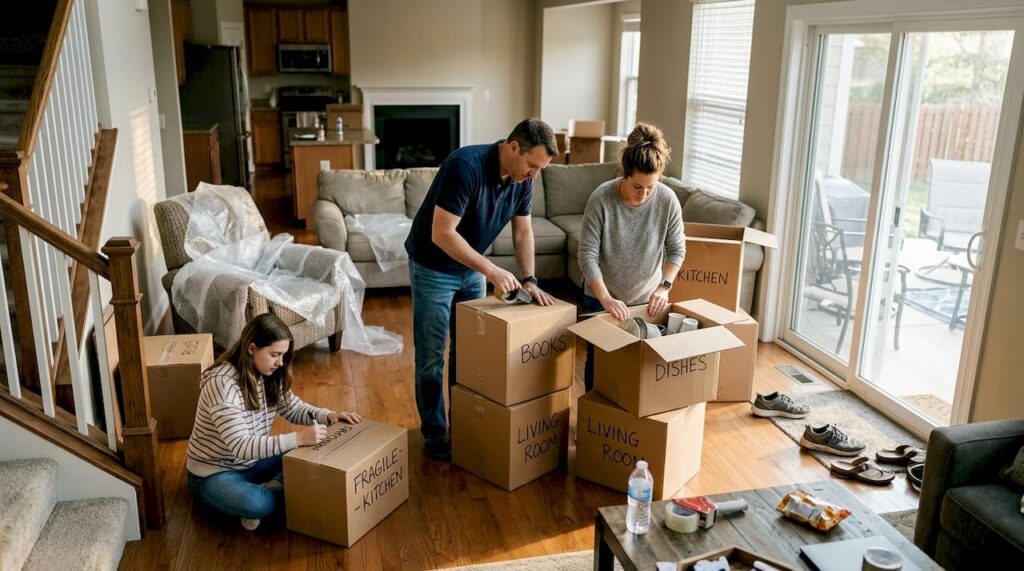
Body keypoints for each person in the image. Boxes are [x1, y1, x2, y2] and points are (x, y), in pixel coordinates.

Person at [404, 118, 559, 461]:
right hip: (433, 268)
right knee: (431, 357)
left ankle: (464, 425)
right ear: (513, 146)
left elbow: (522, 233)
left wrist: (529, 278)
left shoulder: (524, 179)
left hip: (471, 268)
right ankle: (434, 435)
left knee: (469, 352)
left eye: (540, 169)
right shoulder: (465, 166)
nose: (534, 174)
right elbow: (442, 233)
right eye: (532, 165)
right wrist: (489, 269)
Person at [185, 313, 362, 531]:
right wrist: (297, 438)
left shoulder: (268, 372)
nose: (280, 362)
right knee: (259, 503)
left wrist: (329, 416)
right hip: (214, 472)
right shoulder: (222, 384)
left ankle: (269, 488)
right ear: (252, 349)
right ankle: (268, 493)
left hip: (254, 461)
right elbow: (240, 446)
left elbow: (293, 408)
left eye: (283, 355)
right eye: (275, 354)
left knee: (319, 451)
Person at [577, 123, 685, 391]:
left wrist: (664, 288)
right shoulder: (601, 198)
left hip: (645, 301)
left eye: (651, 187)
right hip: (601, 298)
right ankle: (593, 422)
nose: (644, 194)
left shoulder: (667, 200)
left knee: (637, 369)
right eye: (638, 186)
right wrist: (605, 298)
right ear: (624, 173)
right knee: (599, 362)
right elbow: (587, 255)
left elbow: (677, 250)